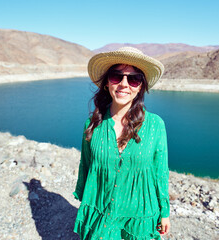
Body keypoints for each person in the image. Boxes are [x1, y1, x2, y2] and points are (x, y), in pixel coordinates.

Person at [73, 47, 170, 240]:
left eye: (133, 79)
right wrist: (86, 204)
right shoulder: (92, 125)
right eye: (117, 77)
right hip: (102, 211)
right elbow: (86, 165)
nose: (124, 84)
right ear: (107, 83)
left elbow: (160, 172)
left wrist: (164, 212)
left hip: (139, 216)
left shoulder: (155, 125)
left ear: (141, 86)